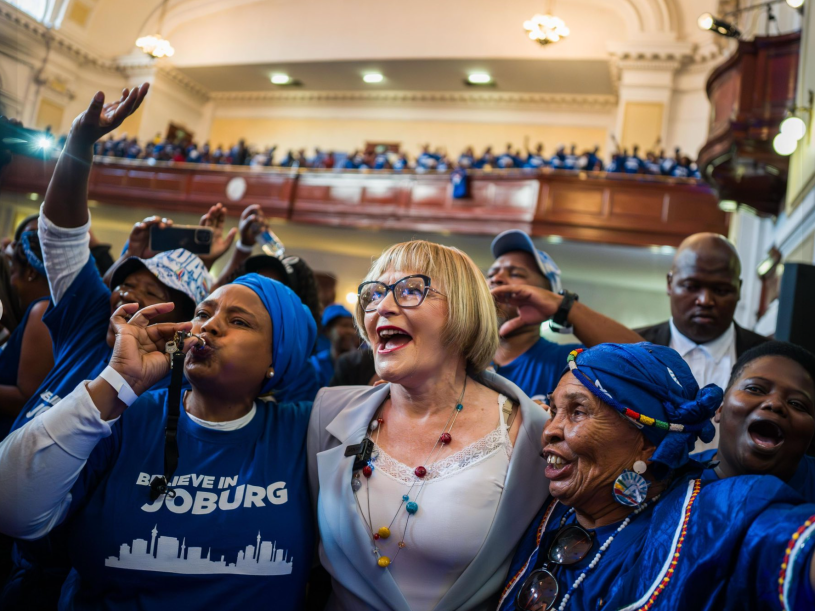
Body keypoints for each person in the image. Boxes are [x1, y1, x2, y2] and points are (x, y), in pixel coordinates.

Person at [4, 85, 213, 610]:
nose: (127, 293)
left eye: (151, 293)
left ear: (183, 321)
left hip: (73, 567)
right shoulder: (91, 314)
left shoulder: (179, 382)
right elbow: (60, 234)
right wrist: (80, 143)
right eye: (126, 279)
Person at [0, 273, 318, 609]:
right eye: (202, 314)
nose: (208, 326)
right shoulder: (126, 415)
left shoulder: (304, 430)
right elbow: (11, 508)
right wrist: (118, 379)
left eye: (238, 321)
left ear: (276, 357)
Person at [308, 240, 549, 610]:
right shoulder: (327, 414)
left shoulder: (531, 433)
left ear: (464, 311)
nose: (382, 307)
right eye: (374, 294)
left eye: (410, 291)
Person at [498, 340, 815, 611]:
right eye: (553, 411)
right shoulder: (541, 497)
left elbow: (777, 542)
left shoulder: (712, 514)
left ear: (647, 443)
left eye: (577, 412)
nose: (550, 431)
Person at [636, 232, 768, 449]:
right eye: (691, 286)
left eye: (721, 290)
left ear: (739, 290)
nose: (705, 300)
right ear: (670, 284)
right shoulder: (630, 346)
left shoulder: (769, 357)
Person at [488, 229, 643, 401]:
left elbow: (646, 364)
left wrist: (563, 306)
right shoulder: (462, 354)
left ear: (545, 295)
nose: (496, 279)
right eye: (491, 274)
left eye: (516, 273)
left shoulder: (567, 362)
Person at [692, 341, 815, 502]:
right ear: (720, 408)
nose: (775, 404)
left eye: (796, 404)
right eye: (755, 389)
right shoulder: (668, 482)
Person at [0, 227, 52, 438]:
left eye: (13, 272)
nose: (12, 283)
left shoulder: (42, 311)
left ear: (30, 273)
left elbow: (27, 397)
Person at [310, 304, 359, 387]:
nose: (350, 331)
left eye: (352, 326)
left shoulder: (361, 362)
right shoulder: (316, 365)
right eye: (344, 325)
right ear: (328, 331)